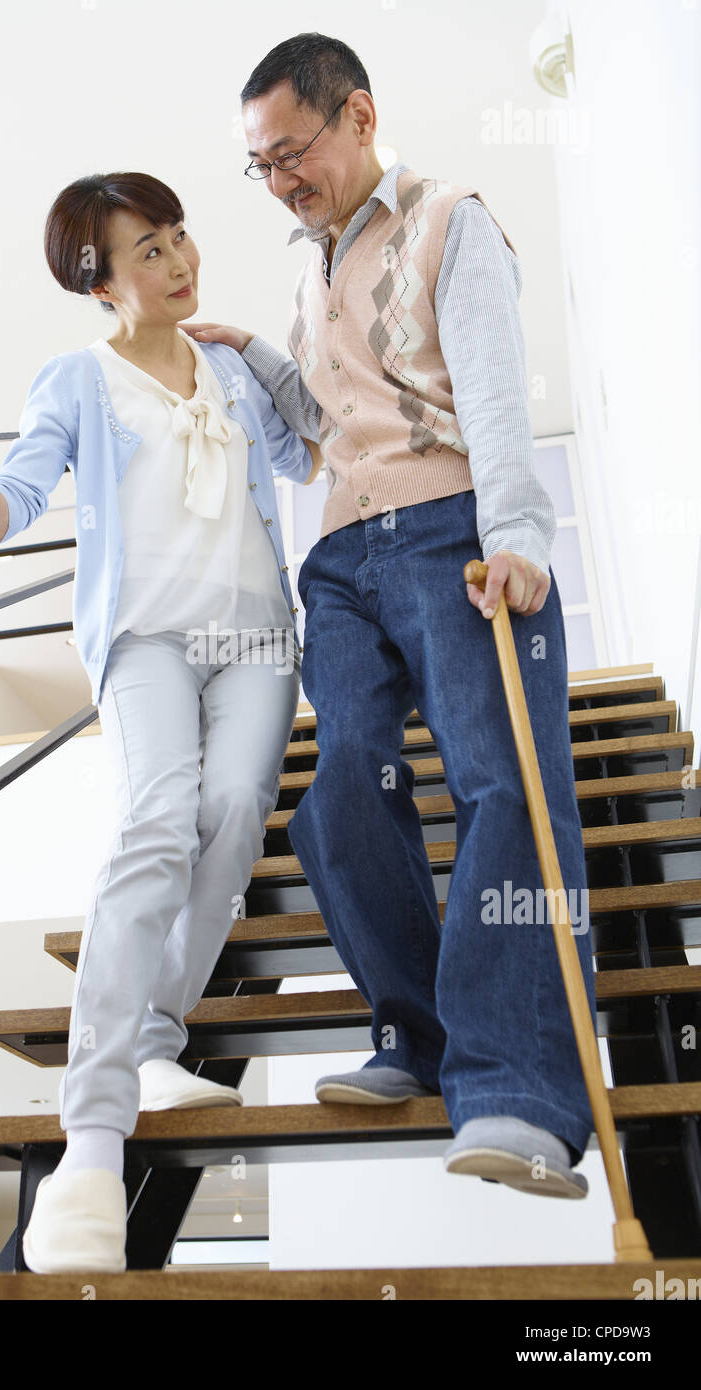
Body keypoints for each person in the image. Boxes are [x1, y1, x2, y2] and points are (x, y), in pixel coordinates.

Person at [0, 171, 322, 1271]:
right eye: (147, 253)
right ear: (99, 282)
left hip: (260, 639)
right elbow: (6, 509)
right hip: (146, 640)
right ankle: (92, 1139)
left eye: (179, 239)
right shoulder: (76, 380)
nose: (176, 263)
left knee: (229, 815)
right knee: (154, 822)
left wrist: (261, 354)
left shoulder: (223, 363)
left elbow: (301, 450)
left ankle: (160, 1035)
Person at [184, 32, 597, 1201]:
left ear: (357, 117)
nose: (277, 181)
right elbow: (325, 421)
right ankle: (414, 1033)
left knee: (502, 784)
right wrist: (255, 349)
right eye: (258, 167)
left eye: (290, 154)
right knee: (343, 787)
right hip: (344, 556)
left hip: (452, 528)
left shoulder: (448, 218)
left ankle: (516, 1084)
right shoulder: (311, 265)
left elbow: (491, 381)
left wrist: (520, 536)